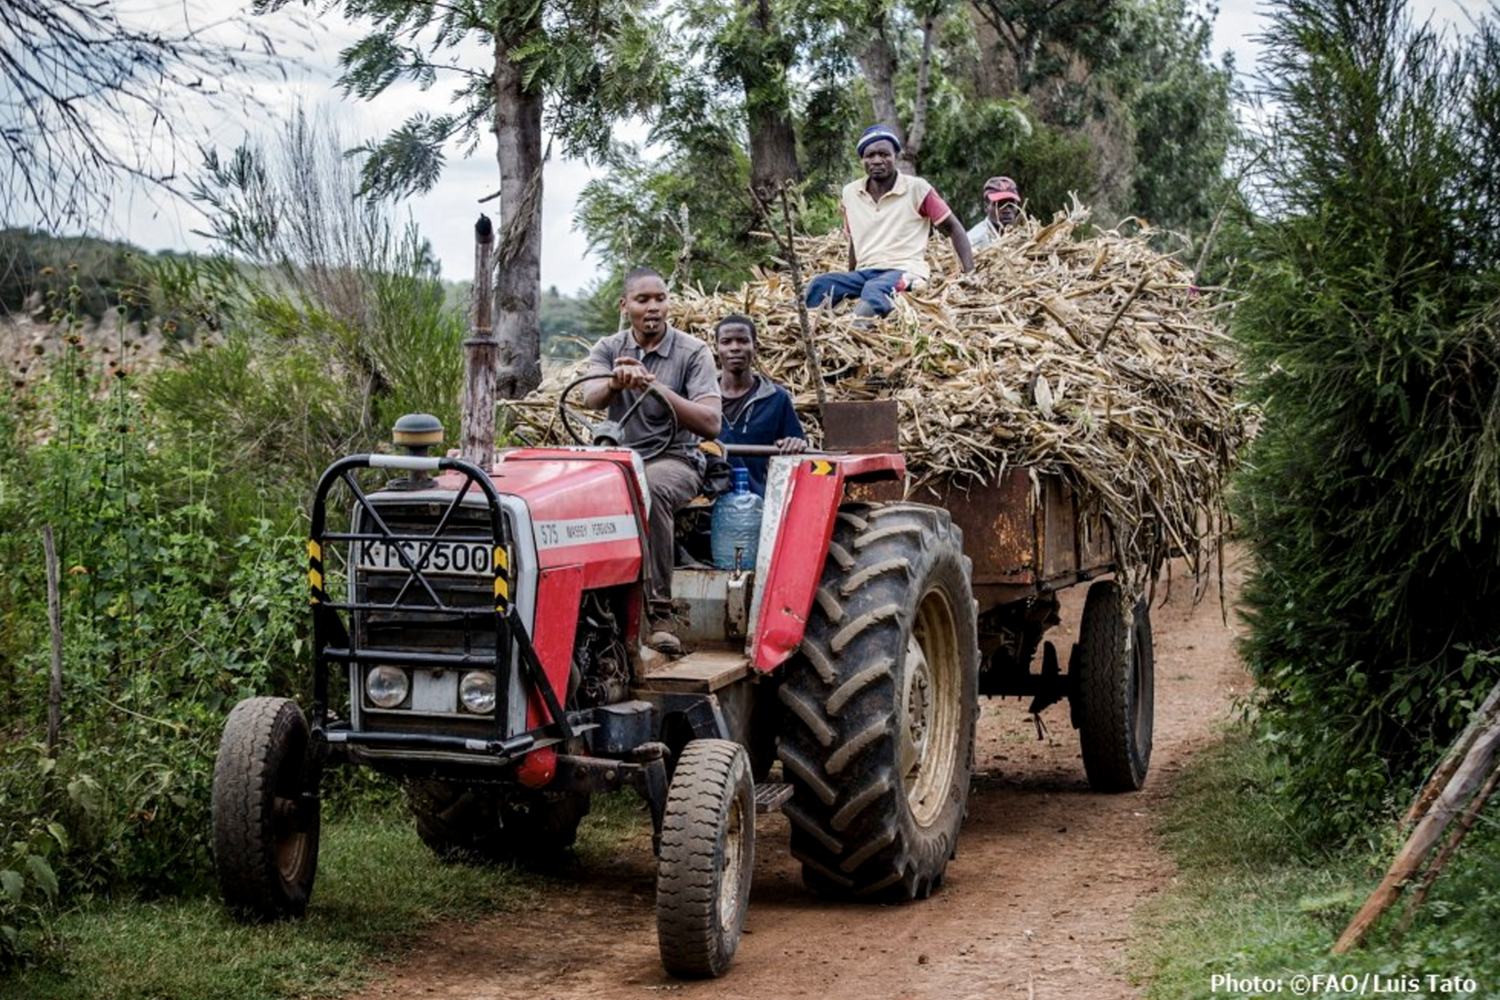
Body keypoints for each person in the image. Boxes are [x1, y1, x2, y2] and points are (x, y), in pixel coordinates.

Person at [584, 266, 722, 655]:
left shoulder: (692, 352)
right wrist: (614, 383)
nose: (653, 307)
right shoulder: (608, 348)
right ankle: (593, 600)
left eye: (660, 298)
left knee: (650, 488)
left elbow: (711, 423)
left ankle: (659, 612)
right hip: (619, 460)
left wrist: (656, 388)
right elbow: (590, 397)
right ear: (624, 305)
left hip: (675, 458)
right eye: (643, 299)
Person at [804, 124, 974, 321]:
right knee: (820, 284)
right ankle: (808, 326)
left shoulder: (917, 189)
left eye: (884, 154)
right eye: (870, 155)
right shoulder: (850, 193)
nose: (877, 160)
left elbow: (954, 228)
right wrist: (851, 276)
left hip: (905, 271)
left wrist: (969, 275)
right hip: (865, 273)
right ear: (863, 160)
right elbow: (854, 241)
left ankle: (857, 327)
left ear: (896, 156)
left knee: (875, 288)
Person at [714, 314, 806, 496]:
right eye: (726, 342)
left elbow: (797, 445)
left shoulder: (776, 398)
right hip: (707, 500)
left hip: (757, 499)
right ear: (716, 348)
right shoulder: (702, 396)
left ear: (755, 346)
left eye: (743, 341)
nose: (735, 348)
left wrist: (794, 443)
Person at [967, 175, 1022, 252]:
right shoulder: (974, 242)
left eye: (1011, 205)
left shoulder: (1024, 236)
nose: (1006, 210)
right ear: (986, 207)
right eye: (999, 205)